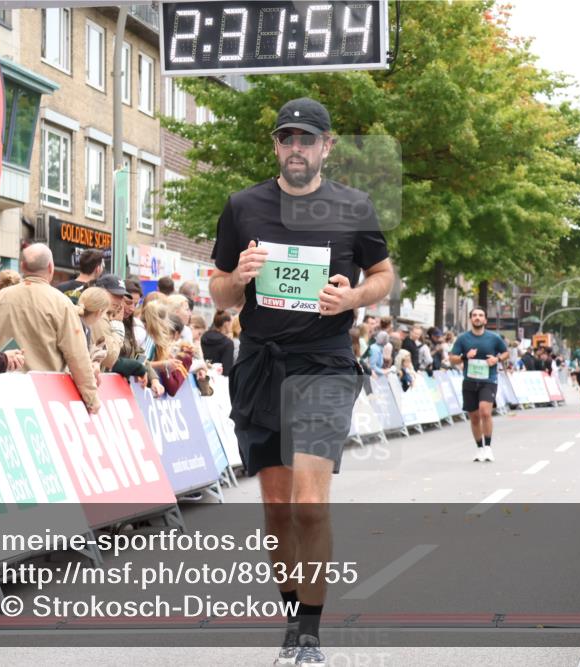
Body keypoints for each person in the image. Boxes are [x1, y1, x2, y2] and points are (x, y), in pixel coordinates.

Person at [209, 97, 393, 666]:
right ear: (276, 146)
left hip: (324, 363)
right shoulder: (243, 207)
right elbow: (217, 287)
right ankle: (292, 614)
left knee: (310, 504)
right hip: (262, 365)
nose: (296, 147)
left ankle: (310, 632)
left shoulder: (354, 206)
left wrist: (354, 296)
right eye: (287, 138)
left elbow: (384, 273)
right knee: (276, 508)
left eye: (307, 139)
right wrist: (236, 278)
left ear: (327, 147)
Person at [0, 243, 100, 413]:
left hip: (4, 391)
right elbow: (77, 355)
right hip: (47, 396)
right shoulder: (61, 303)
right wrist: (91, 398)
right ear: (51, 267)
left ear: (22, 266)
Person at [449, 307, 509, 462]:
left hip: (488, 380)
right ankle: (479, 448)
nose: (477, 317)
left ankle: (488, 447)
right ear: (471, 319)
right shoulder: (463, 339)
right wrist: (464, 357)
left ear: (485, 320)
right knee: (474, 417)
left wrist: (497, 360)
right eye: (474, 315)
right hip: (469, 381)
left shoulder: (494, 338)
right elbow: (452, 358)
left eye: (480, 315)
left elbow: (505, 352)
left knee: (485, 412)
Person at [201, 310, 235, 376]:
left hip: (204, 375)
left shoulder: (204, 337)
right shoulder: (228, 343)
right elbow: (227, 370)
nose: (232, 326)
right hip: (219, 381)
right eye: (231, 323)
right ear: (226, 324)